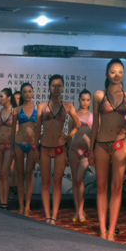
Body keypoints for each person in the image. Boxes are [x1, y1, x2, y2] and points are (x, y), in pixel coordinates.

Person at [91, 59, 126, 240]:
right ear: (106, 74)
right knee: (101, 187)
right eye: (113, 72)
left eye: (120, 72)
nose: (117, 75)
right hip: (101, 143)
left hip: (120, 144)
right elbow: (95, 124)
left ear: (124, 74)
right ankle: (102, 229)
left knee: (117, 188)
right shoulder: (98, 95)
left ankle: (111, 230)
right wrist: (91, 148)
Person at [38, 75, 80, 224]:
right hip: (44, 147)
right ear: (49, 87)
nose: (56, 88)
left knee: (57, 183)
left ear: (63, 88)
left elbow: (78, 124)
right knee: (45, 184)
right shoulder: (42, 106)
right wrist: (36, 147)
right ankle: (47, 215)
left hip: (60, 148)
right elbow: (37, 128)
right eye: (53, 85)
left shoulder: (68, 106)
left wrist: (69, 136)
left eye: (59, 85)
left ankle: (54, 216)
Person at [12, 82, 40, 216]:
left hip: (32, 145)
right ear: (21, 94)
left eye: (29, 91)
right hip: (18, 143)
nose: (27, 94)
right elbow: (13, 130)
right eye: (24, 92)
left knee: (29, 175)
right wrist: (11, 146)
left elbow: (39, 128)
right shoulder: (17, 110)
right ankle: (21, 206)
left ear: (33, 93)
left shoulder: (38, 109)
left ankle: (28, 206)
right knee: (20, 175)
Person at [69, 89, 93, 223]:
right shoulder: (74, 115)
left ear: (90, 101)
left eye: (87, 100)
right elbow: (69, 135)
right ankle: (78, 210)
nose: (85, 102)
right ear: (79, 100)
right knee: (75, 180)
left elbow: (95, 136)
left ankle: (80, 210)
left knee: (80, 179)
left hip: (86, 152)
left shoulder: (93, 117)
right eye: (83, 99)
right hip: (73, 149)